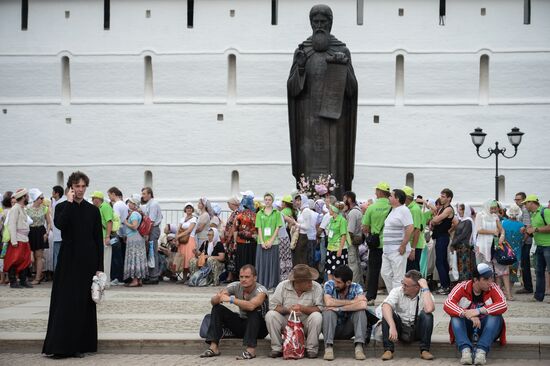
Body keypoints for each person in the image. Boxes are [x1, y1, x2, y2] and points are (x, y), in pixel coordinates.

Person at [287, 4, 358, 198]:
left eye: (323, 22)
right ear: (311, 23)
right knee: (308, 163)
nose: (319, 26)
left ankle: (336, 197)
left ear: (330, 23)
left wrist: (342, 66)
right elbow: (292, 89)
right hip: (308, 122)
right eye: (315, 22)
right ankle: (308, 196)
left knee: (335, 163)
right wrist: (300, 68)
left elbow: (352, 90)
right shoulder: (302, 51)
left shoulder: (342, 50)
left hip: (335, 123)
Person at [43, 171, 104, 358]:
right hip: (68, 261)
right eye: (77, 186)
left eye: (83, 186)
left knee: (82, 304)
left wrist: (99, 266)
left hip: (87, 262)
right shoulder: (62, 207)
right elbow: (60, 225)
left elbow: (97, 240)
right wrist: (69, 202)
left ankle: (79, 345)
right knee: (65, 302)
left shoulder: (93, 210)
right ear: (71, 187)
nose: (80, 190)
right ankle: (60, 345)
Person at [200, 264, 268, 360]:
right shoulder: (235, 286)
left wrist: (231, 299)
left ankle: (250, 351)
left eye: (247, 277)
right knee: (217, 308)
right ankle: (213, 348)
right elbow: (214, 301)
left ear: (255, 278)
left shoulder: (261, 290)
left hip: (260, 328)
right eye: (241, 277)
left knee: (253, 311)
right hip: (243, 324)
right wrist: (218, 297)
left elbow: (251, 306)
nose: (243, 279)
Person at [444, 263, 508, 365]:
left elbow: (503, 304)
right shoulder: (462, 287)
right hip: (468, 328)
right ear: (475, 280)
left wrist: (479, 311)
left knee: (495, 316)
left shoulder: (493, 287)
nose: (490, 282)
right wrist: (466, 313)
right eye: (486, 279)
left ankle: (481, 352)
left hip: (487, 328)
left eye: (491, 278)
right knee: (455, 317)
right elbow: (447, 304)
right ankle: (465, 351)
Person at [266, 264, 323, 359]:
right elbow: (273, 306)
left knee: (317, 316)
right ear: (297, 283)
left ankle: (311, 349)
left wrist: (302, 308)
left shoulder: (316, 287)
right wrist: (288, 309)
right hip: (288, 323)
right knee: (270, 315)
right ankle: (277, 348)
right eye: (308, 281)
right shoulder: (283, 286)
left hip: (306, 323)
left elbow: (319, 308)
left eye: (311, 280)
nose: (311, 283)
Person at [380, 270, 435, 361]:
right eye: (403, 283)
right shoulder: (397, 291)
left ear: (417, 287)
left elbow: (429, 309)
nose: (403, 287)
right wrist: (392, 326)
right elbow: (385, 306)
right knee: (387, 314)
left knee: (427, 316)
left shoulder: (425, 294)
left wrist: (425, 287)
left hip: (417, 329)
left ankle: (424, 350)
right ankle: (388, 350)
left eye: (406, 285)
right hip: (399, 329)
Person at [322, 265, 368, 361]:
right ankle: (328, 348)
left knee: (360, 312)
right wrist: (352, 302)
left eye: (338, 282)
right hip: (331, 328)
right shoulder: (329, 284)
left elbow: (363, 305)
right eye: (335, 280)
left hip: (348, 328)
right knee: (328, 311)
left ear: (348, 283)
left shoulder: (356, 287)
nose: (335, 284)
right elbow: (328, 302)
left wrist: (340, 308)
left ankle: (359, 348)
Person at [362, 182, 391, 305]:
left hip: (375, 244)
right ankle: (392, 295)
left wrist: (373, 232)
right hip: (390, 244)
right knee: (391, 271)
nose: (375, 193)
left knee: (373, 270)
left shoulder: (372, 207)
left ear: (379, 192)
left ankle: (370, 297)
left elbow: (365, 227)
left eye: (376, 191)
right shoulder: (392, 206)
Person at [475, 200, 510, 299]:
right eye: (492, 208)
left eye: (495, 208)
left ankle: (490, 292)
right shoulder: (480, 215)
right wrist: (493, 232)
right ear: (487, 207)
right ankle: (480, 291)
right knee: (481, 268)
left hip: (492, 245)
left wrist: (502, 235)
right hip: (481, 246)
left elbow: (501, 229)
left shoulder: (495, 217)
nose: (494, 210)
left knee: (491, 269)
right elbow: (479, 229)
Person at [380, 189, 414, 292]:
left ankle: (397, 302)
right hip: (387, 250)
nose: (388, 197)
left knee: (398, 277)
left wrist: (403, 245)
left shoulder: (404, 210)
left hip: (398, 250)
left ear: (397, 198)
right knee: (385, 273)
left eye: (391, 196)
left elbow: (410, 227)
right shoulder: (393, 210)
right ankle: (393, 296)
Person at [522, 194, 550, 302]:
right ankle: (538, 296)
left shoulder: (545, 211)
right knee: (539, 272)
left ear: (531, 203)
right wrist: (527, 231)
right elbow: (534, 231)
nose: (525, 206)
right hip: (539, 246)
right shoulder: (533, 215)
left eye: (526, 203)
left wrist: (535, 229)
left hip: (548, 246)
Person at [430, 188, 456, 295]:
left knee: (440, 262)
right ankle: (446, 285)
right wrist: (435, 221)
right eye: (441, 195)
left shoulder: (449, 209)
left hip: (443, 237)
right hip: (438, 236)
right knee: (442, 261)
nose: (441, 198)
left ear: (449, 198)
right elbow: (433, 222)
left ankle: (445, 286)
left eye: (443, 196)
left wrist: (435, 221)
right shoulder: (442, 209)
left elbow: (435, 220)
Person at [255, 193, 283, 290]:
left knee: (272, 263)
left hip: (273, 242)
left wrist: (271, 241)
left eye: (269, 200)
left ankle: (272, 284)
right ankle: (261, 284)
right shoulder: (259, 213)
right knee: (262, 263)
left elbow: (277, 228)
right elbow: (259, 228)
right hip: (261, 242)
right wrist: (262, 242)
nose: (267, 201)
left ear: (272, 201)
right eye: (266, 199)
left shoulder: (277, 213)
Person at [5, 189, 33, 288]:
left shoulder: (22, 208)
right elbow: (12, 224)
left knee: (25, 260)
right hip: (18, 238)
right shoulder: (15, 209)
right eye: (27, 196)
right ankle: (13, 281)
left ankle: (23, 280)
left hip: (24, 238)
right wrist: (13, 240)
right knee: (14, 260)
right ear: (23, 197)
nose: (28, 197)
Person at [27, 188, 53, 285]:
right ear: (35, 199)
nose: (42, 200)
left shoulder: (44, 209)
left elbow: (49, 222)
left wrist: (46, 233)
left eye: (42, 198)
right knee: (32, 256)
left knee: (39, 255)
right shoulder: (27, 209)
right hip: (31, 231)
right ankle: (38, 274)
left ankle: (37, 278)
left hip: (40, 231)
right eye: (40, 198)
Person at [123, 196, 147, 287]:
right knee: (138, 258)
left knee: (134, 257)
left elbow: (134, 226)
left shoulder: (134, 214)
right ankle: (139, 280)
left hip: (134, 238)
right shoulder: (138, 213)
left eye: (131, 202)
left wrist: (125, 222)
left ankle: (135, 280)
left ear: (134, 204)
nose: (129, 204)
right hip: (137, 238)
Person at [141, 187, 163, 285]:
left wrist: (146, 233)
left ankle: (154, 276)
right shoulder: (150, 204)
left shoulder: (153, 204)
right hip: (152, 229)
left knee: (152, 252)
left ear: (150, 194)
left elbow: (151, 221)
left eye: (144, 193)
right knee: (151, 252)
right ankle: (151, 274)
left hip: (152, 229)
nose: (143, 195)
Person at [91, 191, 113, 286]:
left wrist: (107, 236)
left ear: (98, 199)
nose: (92, 200)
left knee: (105, 261)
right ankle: (101, 281)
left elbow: (109, 222)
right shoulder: (98, 208)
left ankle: (106, 282)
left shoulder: (105, 207)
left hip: (104, 237)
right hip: (99, 238)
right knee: (100, 260)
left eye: (93, 198)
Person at [107, 187, 128, 286]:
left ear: (113, 194)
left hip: (117, 233)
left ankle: (116, 277)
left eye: (109, 195)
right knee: (120, 256)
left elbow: (116, 220)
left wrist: (112, 232)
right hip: (123, 233)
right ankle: (121, 277)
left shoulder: (116, 205)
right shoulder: (123, 204)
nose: (109, 197)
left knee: (115, 256)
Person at [343, 191, 364, 287]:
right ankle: (360, 285)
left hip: (351, 241)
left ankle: (354, 285)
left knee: (352, 264)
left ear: (349, 199)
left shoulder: (352, 213)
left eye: (344, 199)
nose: (343, 201)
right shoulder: (358, 210)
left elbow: (349, 230)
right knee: (357, 263)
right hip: (356, 240)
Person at [451, 203, 476, 282]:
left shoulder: (468, 221)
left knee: (465, 266)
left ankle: (465, 283)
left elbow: (463, 234)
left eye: (461, 209)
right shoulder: (461, 220)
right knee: (460, 266)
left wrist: (453, 243)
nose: (459, 211)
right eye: (459, 209)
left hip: (464, 247)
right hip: (459, 247)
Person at [514, 192, 533, 294]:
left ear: (523, 200)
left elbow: (527, 227)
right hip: (523, 241)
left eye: (518, 199)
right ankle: (527, 286)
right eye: (515, 199)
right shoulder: (521, 210)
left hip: (526, 241)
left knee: (525, 264)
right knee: (524, 264)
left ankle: (528, 287)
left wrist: (523, 241)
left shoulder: (525, 210)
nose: (517, 201)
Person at [501, 204, 524, 290]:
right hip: (516, 251)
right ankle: (509, 288)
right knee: (513, 270)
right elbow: (523, 239)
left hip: (504, 250)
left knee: (503, 269)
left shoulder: (503, 223)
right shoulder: (521, 225)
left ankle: (503, 288)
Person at [233, 194, 257, 275]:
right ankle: (251, 276)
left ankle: (241, 276)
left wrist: (235, 242)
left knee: (242, 261)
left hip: (241, 242)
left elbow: (235, 229)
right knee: (250, 260)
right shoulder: (255, 216)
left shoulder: (239, 216)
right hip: (252, 243)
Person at [325, 204, 349, 280]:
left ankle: (338, 287)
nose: (329, 210)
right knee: (329, 270)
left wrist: (340, 249)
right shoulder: (331, 220)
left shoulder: (342, 220)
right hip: (330, 247)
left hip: (338, 248)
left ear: (334, 210)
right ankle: (330, 287)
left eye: (330, 209)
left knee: (338, 272)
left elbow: (343, 235)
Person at [402, 186, 422, 272]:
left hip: (414, 245)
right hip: (410, 244)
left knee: (413, 272)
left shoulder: (414, 209)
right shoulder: (409, 208)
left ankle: (420, 286)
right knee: (410, 271)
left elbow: (416, 230)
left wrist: (413, 249)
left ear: (406, 197)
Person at [176, 202, 198, 281]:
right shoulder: (182, 219)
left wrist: (178, 236)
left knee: (189, 259)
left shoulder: (194, 219)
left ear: (192, 210)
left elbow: (189, 230)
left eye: (190, 208)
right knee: (183, 259)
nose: (189, 209)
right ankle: (184, 278)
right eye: (187, 208)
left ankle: (191, 278)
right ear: (185, 209)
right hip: (182, 240)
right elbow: (178, 229)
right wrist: (177, 238)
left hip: (189, 240)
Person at [293, 193, 314, 266]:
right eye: (296, 200)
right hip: (299, 235)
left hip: (303, 236)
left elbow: (307, 227)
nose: (297, 202)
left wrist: (296, 224)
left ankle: (303, 275)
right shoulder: (300, 211)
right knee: (298, 256)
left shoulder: (306, 211)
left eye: (299, 200)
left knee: (302, 257)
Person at [222, 196, 240, 282]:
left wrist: (229, 236)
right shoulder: (234, 213)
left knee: (231, 256)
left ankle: (231, 276)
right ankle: (230, 275)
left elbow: (234, 226)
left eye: (228, 204)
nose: (228, 206)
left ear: (233, 204)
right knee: (230, 257)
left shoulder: (236, 213)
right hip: (230, 239)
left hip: (232, 239)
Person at [278, 195, 295, 281]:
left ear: (285, 203)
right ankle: (288, 274)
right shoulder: (291, 211)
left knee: (282, 256)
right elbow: (292, 222)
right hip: (287, 234)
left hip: (281, 235)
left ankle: (283, 275)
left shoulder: (283, 211)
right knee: (287, 256)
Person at [50, 186, 66, 272]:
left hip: (59, 234)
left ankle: (58, 273)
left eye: (53, 191)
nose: (52, 193)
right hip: (57, 233)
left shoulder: (60, 203)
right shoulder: (55, 203)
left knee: (58, 254)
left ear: (57, 193)